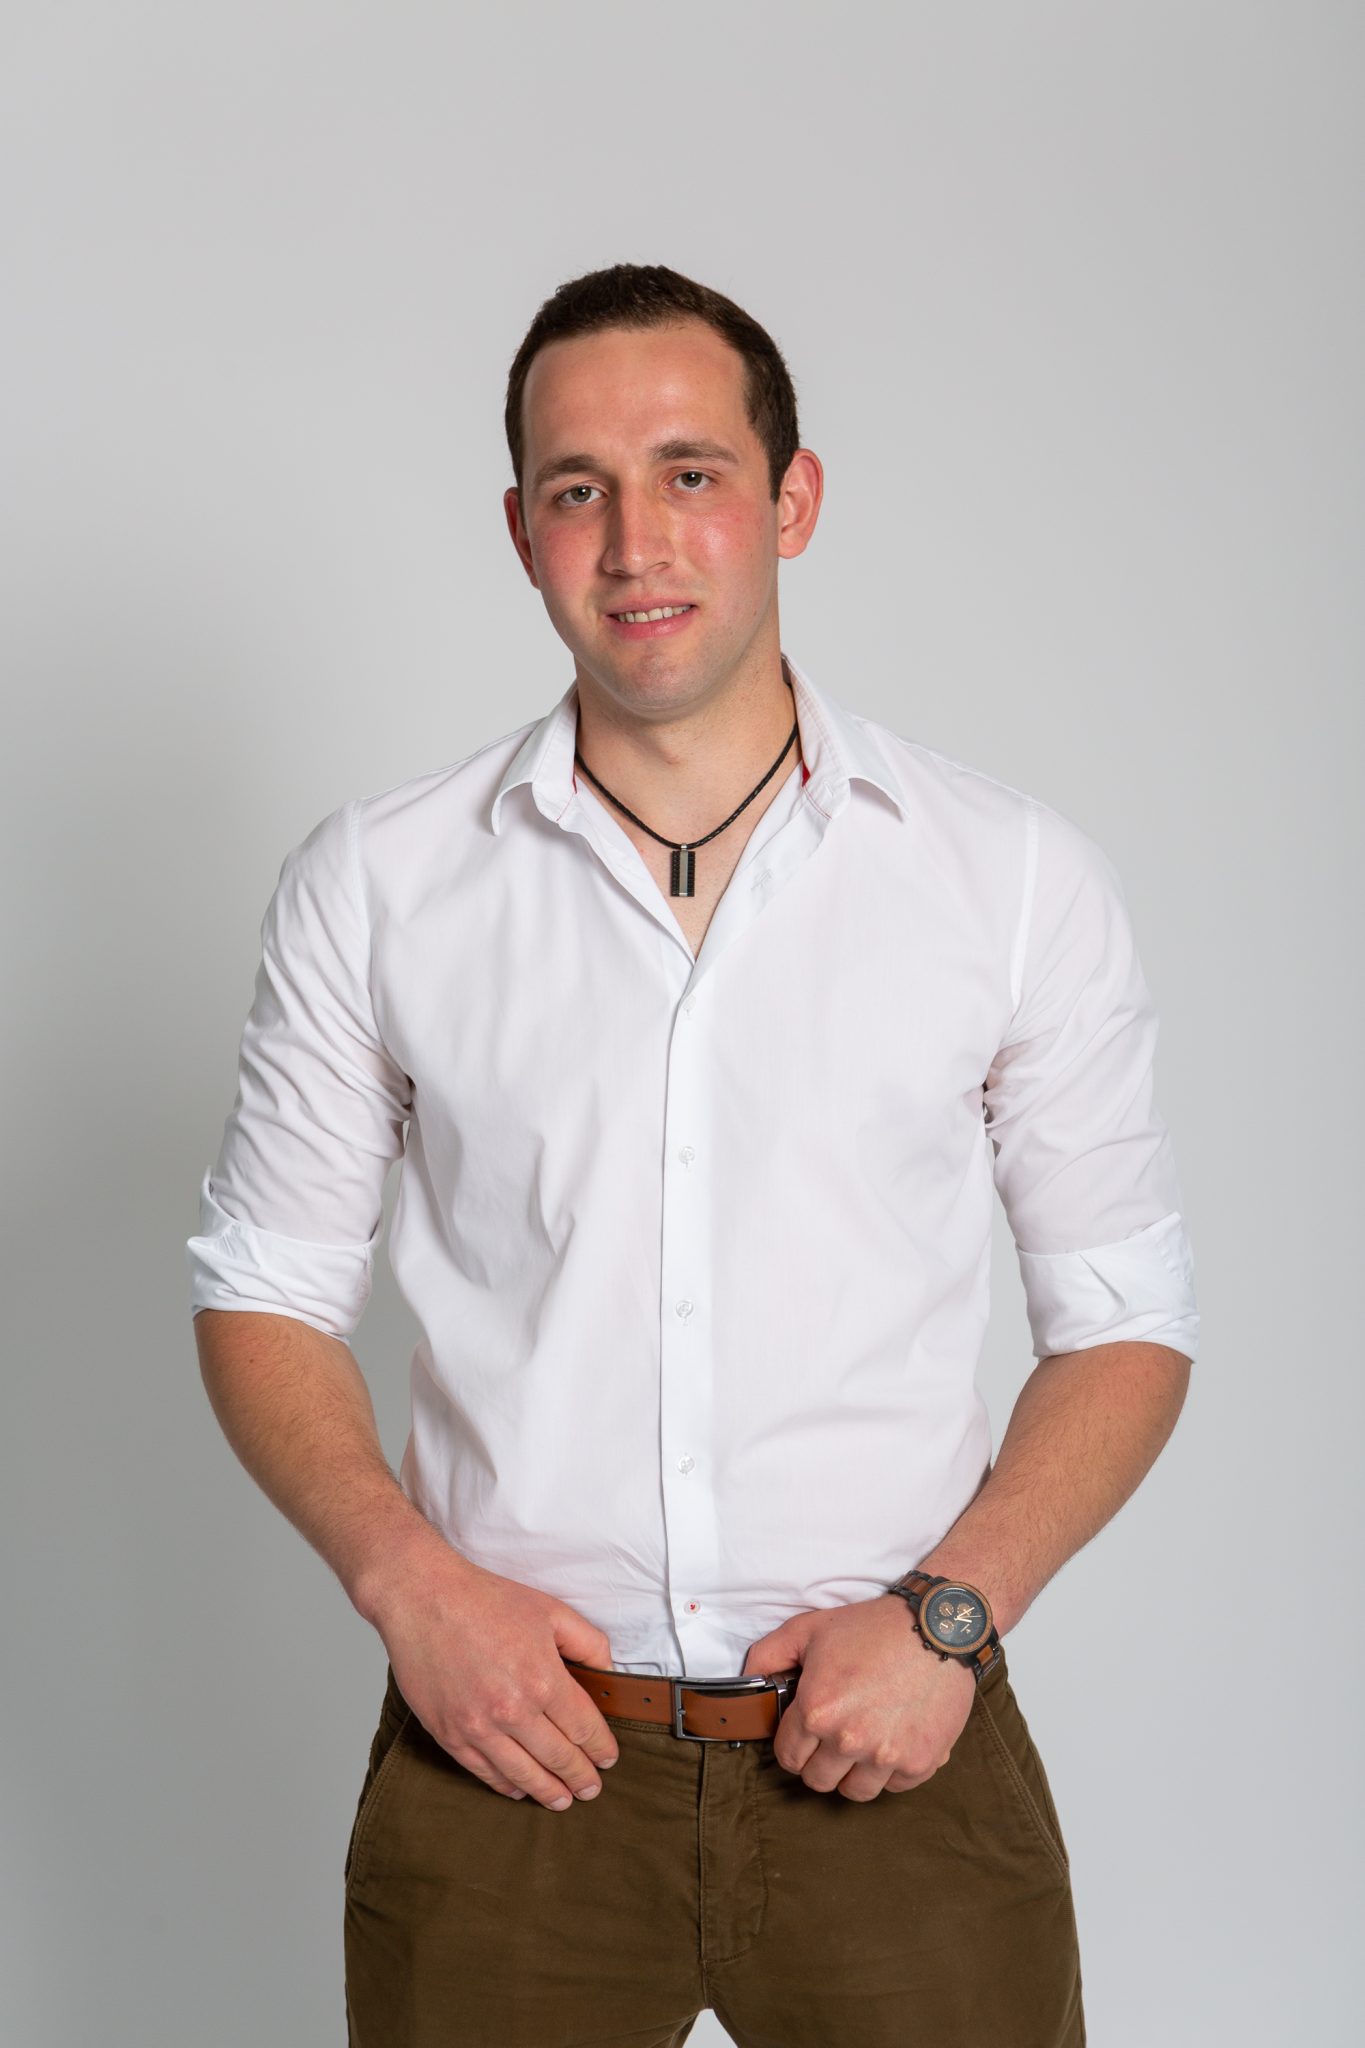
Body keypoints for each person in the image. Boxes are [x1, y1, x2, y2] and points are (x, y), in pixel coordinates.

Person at [187, 262, 1198, 2048]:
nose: (636, 541)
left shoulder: (1008, 879)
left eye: (690, 473)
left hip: (896, 1748)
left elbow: (1123, 1319)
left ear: (790, 500)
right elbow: (263, 1290)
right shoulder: (379, 886)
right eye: (577, 488)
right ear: (521, 532)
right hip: (512, 1757)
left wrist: (950, 1618)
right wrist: (412, 1591)